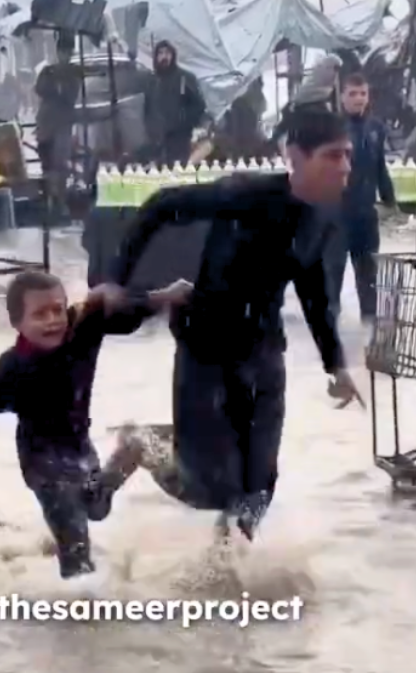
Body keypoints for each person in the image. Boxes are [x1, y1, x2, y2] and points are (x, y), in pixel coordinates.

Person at [106, 106, 361, 542]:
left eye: (348, 156)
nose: (345, 168)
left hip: (263, 353)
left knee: (258, 485)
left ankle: (224, 575)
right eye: (333, 156)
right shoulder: (244, 194)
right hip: (205, 351)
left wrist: (335, 366)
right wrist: (115, 279)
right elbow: (162, 204)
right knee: (206, 484)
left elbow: (315, 294)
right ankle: (141, 444)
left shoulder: (321, 218)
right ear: (296, 157)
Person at [0, 271, 187, 579]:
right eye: (39, 314)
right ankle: (80, 606)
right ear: (18, 324)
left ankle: (173, 477)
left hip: (80, 452)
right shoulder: (12, 369)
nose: (52, 320)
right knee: (76, 548)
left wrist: (167, 295)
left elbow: (128, 309)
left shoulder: (82, 328)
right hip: (43, 467)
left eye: (57, 310)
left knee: (101, 500)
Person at [325, 73, 396, 325]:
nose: (358, 99)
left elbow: (380, 167)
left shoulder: (376, 128)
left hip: (366, 214)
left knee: (367, 270)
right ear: (342, 97)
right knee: (332, 269)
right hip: (336, 213)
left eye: (363, 94)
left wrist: (390, 200)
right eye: (353, 94)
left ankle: (369, 319)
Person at [33, 34, 82, 214]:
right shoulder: (48, 71)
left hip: (63, 125)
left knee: (60, 164)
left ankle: (59, 201)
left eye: (68, 52)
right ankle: (48, 199)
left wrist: (59, 87)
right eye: (62, 52)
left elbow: (70, 96)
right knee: (46, 163)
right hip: (46, 124)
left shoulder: (73, 72)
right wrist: (56, 86)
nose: (65, 56)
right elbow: (40, 89)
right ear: (58, 52)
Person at [143, 40, 206, 166]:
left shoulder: (184, 78)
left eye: (167, 53)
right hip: (156, 141)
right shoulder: (151, 81)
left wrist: (183, 121)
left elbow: (199, 105)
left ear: (173, 55)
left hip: (180, 139)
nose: (164, 57)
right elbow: (146, 109)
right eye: (160, 53)